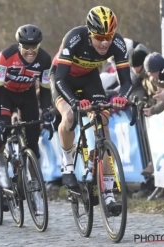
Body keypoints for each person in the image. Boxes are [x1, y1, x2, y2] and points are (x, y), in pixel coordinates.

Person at [49, 6, 132, 215]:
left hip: (89, 79)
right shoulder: (75, 38)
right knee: (68, 115)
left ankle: (109, 194)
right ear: (89, 32)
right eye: (99, 37)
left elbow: (127, 82)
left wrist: (122, 98)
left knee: (103, 126)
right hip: (62, 78)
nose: (105, 42)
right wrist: (75, 103)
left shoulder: (118, 43)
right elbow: (60, 79)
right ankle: (67, 163)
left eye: (109, 37)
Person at [0, 24, 53, 193]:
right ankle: (0, 163)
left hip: (28, 96)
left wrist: (46, 110)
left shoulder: (45, 60)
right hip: (6, 95)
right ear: (19, 45)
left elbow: (46, 90)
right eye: (26, 47)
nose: (30, 51)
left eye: (34, 47)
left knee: (33, 143)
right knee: (2, 129)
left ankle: (36, 186)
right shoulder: (6, 56)